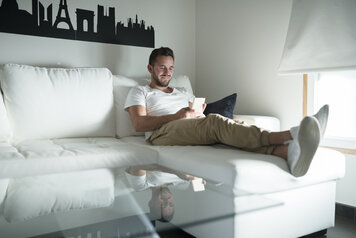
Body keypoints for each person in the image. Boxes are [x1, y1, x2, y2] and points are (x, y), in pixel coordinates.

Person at [125, 47, 329, 177]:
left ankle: (287, 153)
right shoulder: (140, 91)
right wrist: (177, 116)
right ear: (150, 69)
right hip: (161, 134)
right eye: (162, 67)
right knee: (215, 122)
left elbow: (194, 119)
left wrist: (196, 114)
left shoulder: (183, 90)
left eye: (171, 68)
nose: (167, 73)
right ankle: (291, 134)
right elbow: (139, 124)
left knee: (227, 134)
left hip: (189, 128)